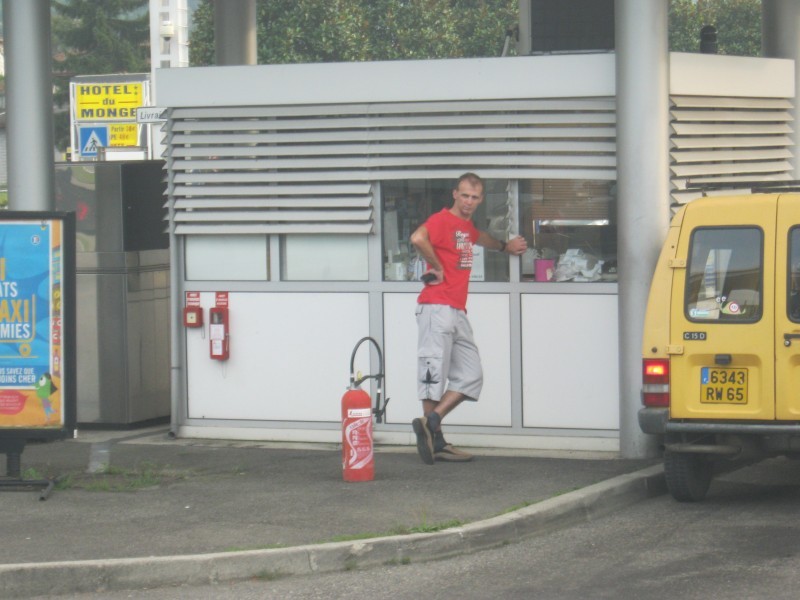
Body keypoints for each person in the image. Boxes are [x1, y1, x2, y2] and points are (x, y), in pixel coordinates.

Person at [409, 173, 527, 464]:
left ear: (481, 199)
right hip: (436, 307)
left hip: (456, 310)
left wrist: (504, 246)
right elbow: (417, 237)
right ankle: (435, 441)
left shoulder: (466, 226)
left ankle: (432, 423)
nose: (469, 202)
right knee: (433, 373)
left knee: (471, 374)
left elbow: (479, 237)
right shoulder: (441, 220)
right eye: (464, 195)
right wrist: (436, 265)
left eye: (474, 197)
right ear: (454, 194)